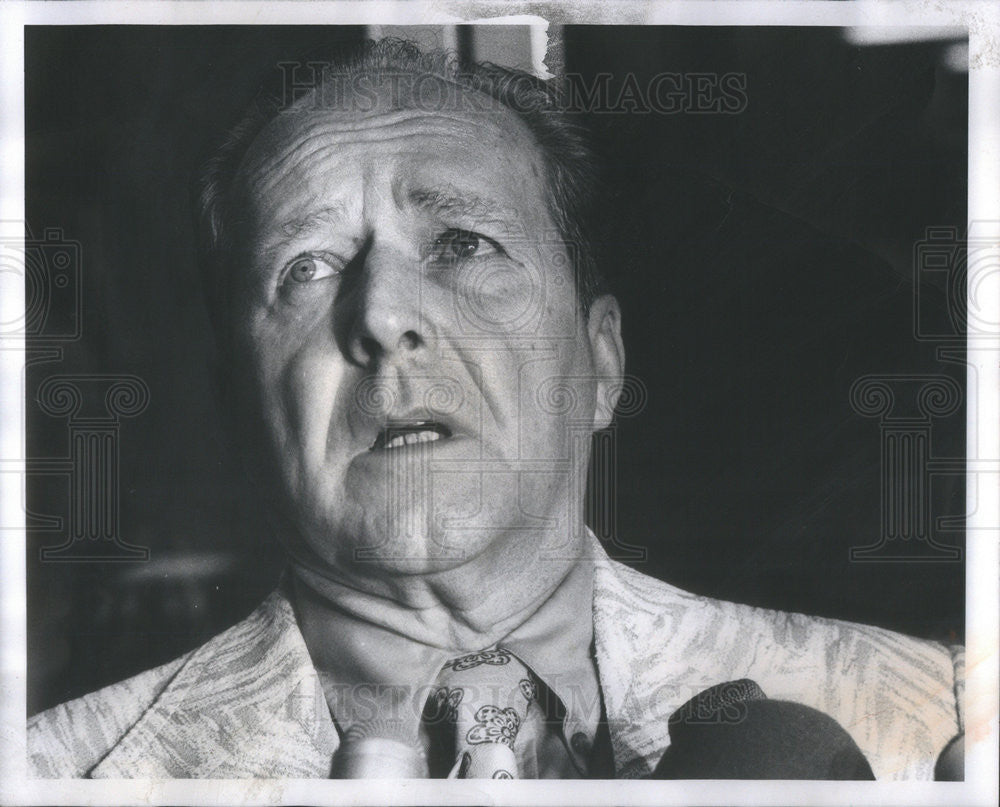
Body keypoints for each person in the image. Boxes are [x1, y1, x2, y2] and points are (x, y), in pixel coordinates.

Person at [27, 38, 963, 781]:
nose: (384, 316)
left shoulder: (932, 724)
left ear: (601, 363)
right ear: (239, 409)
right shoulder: (53, 778)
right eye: (307, 267)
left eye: (463, 243)